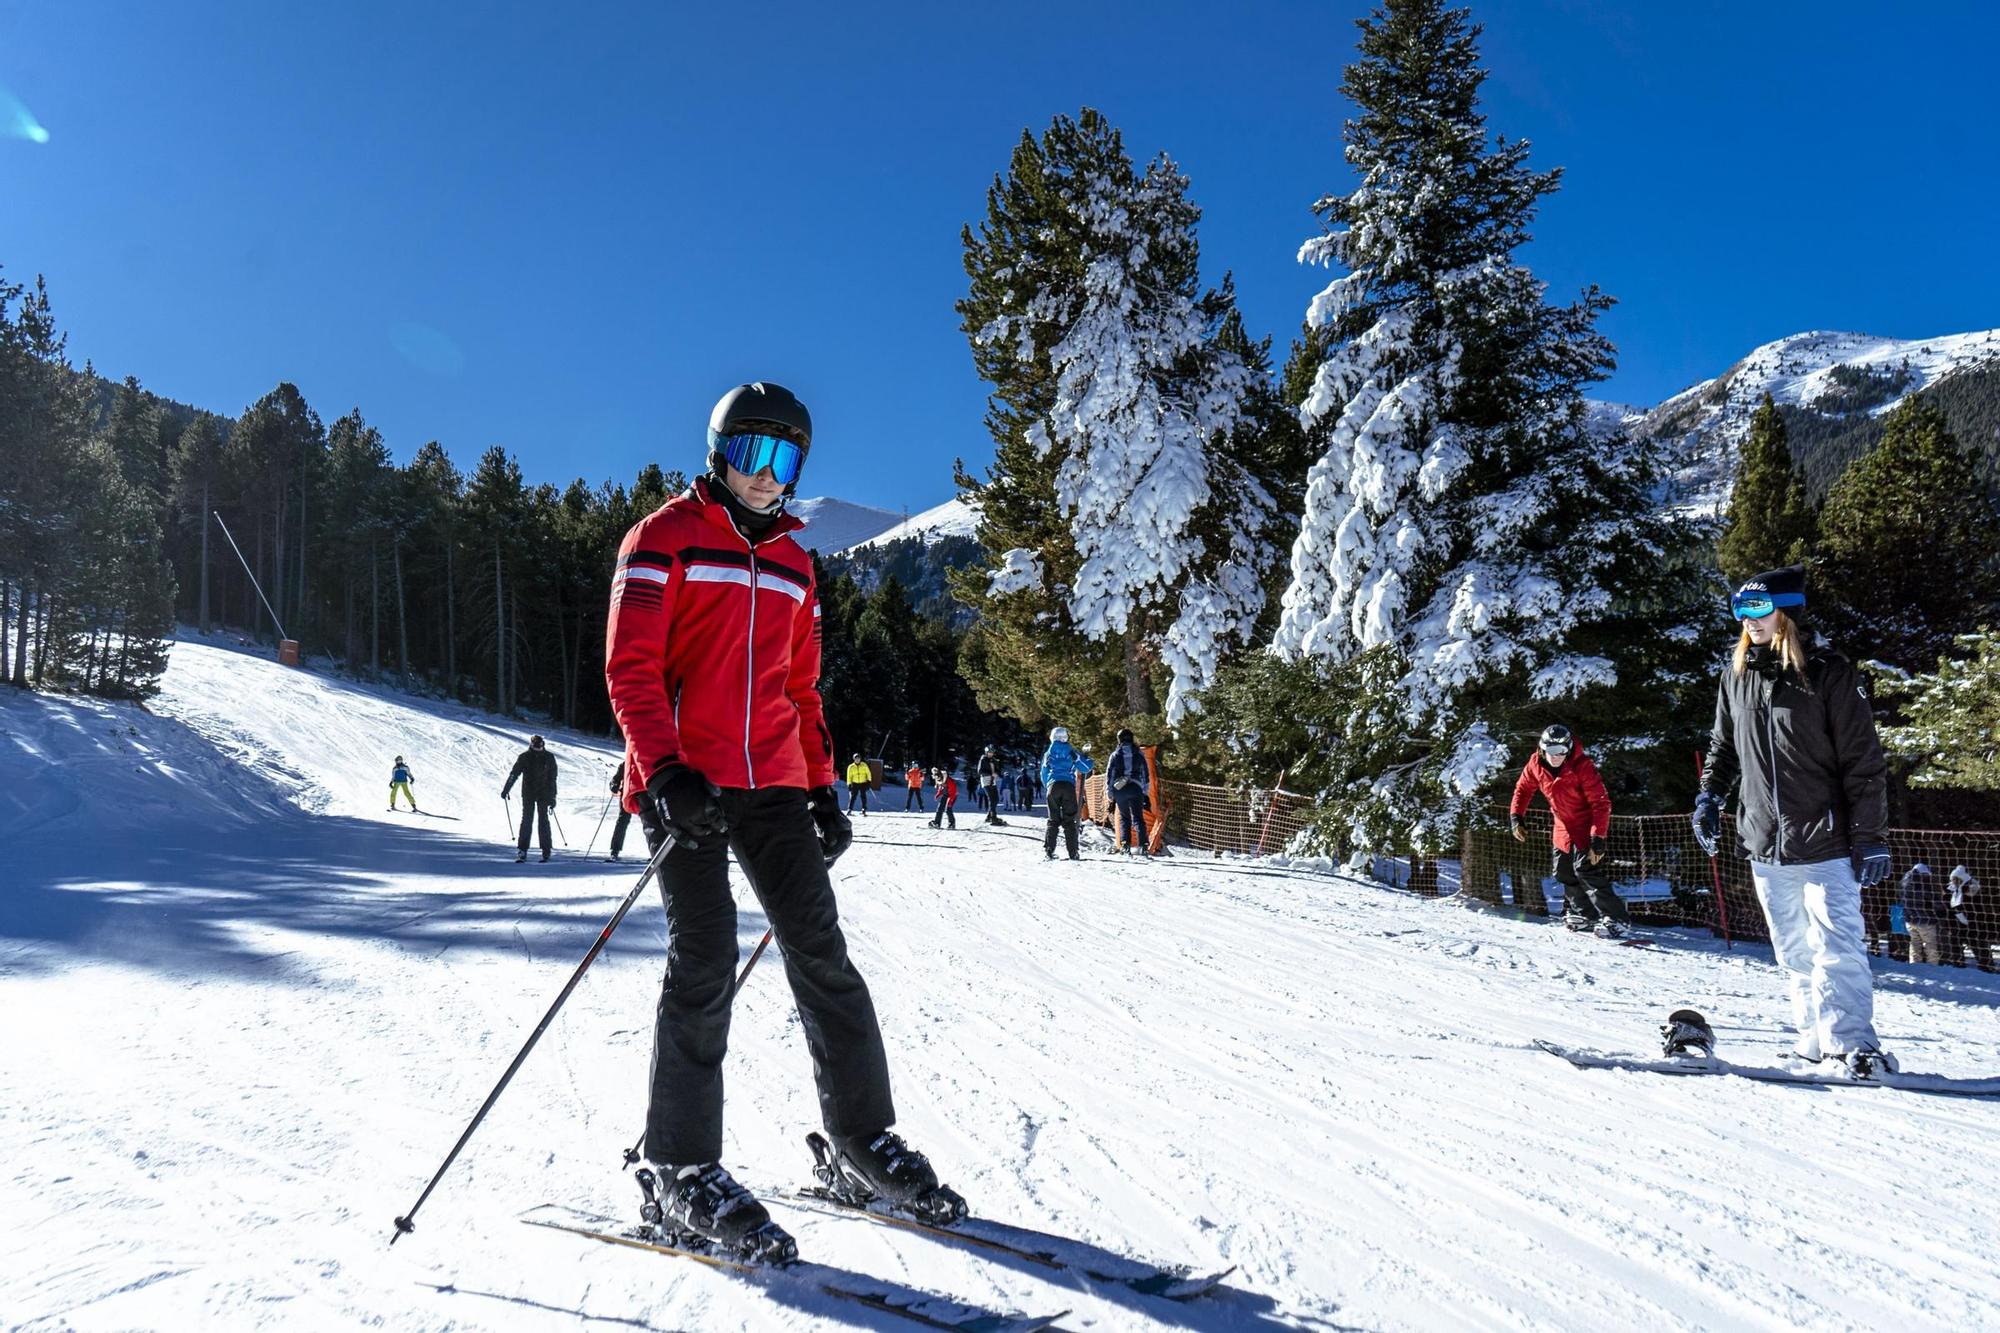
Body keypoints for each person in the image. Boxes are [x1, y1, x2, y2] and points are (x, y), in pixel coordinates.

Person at [604, 380, 962, 1260]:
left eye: (786, 459)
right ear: (719, 453)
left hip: (771, 785)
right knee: (705, 954)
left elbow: (800, 689)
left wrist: (820, 785)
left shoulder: (799, 564)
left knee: (821, 950)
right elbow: (631, 670)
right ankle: (682, 1166)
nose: (768, 476)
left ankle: (861, 1139)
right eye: (752, 455)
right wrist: (665, 772)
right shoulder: (663, 539)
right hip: (683, 781)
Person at [1694, 566, 1894, 1076]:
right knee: (1794, 953)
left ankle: (1852, 1046)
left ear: (1789, 613)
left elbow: (1863, 760)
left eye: (1758, 609)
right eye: (1740, 610)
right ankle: (1812, 1041)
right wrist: (1709, 798)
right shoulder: (1736, 675)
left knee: (1838, 949)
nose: (1748, 620)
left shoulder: (1828, 673)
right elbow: (1722, 747)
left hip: (1825, 840)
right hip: (1765, 840)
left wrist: (1869, 836)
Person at [1509, 723, 1631, 935]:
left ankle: (1617, 919)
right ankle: (1585, 914)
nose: (1557, 756)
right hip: (1562, 826)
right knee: (1563, 872)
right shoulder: (1535, 763)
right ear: (1542, 748)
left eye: (1562, 751)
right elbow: (1523, 789)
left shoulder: (1582, 766)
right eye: (1552, 752)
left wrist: (1598, 837)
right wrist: (1516, 816)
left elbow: (1601, 803)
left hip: (1586, 824)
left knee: (1584, 869)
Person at [501, 735, 558, 863]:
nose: (538, 749)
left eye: (540, 746)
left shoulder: (549, 757)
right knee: (527, 820)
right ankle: (522, 850)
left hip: (544, 793)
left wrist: (553, 797)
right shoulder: (524, 757)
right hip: (529, 793)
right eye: (536, 746)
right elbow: (514, 773)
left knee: (543, 820)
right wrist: (506, 789)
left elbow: (552, 779)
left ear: (543, 745)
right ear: (531, 745)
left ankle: (546, 850)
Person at [1040, 727, 1091, 861]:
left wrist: (1048, 786)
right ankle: (1073, 852)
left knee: (1053, 820)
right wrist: (1088, 759)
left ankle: (1049, 851)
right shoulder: (1072, 752)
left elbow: (1043, 772)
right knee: (1069, 821)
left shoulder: (1048, 754)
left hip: (1053, 786)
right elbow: (1085, 767)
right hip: (1068, 786)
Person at [1105, 728, 1152, 856]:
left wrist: (1109, 794)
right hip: (1136, 788)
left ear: (1119, 740)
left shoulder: (1115, 755)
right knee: (1138, 817)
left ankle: (1125, 845)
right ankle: (1144, 845)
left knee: (1124, 817)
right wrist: (1145, 792)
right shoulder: (1139, 753)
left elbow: (1110, 775)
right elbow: (1145, 774)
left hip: (1120, 789)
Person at [1899, 862, 1948, 965]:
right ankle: (1933, 965)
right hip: (1925, 920)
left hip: (1909, 919)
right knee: (1930, 944)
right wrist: (1942, 911)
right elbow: (1934, 900)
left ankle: (1914, 964)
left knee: (1914, 943)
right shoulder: (1922, 885)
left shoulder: (1903, 884)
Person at [1950, 865, 1995, 971]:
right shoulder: (1955, 889)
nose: (1954, 881)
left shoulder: (1972, 888)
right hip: (1960, 921)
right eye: (1953, 879)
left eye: (1956, 879)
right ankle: (1958, 962)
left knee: (1977, 942)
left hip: (1974, 920)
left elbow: (1972, 903)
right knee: (1955, 940)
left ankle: (1987, 965)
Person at [606, 759, 636, 861]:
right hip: (628, 795)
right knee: (622, 821)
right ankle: (615, 850)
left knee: (651, 822)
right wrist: (614, 785)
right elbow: (616, 778)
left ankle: (656, 850)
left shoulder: (643, 759)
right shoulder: (625, 763)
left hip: (643, 794)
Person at [975, 746, 1005, 825]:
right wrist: (991, 773)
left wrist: (998, 774)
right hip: (986, 780)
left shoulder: (994, 760)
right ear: (986, 752)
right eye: (989, 752)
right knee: (992, 799)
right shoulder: (983, 759)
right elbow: (980, 771)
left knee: (996, 799)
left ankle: (989, 816)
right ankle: (993, 817)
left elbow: (997, 770)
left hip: (993, 781)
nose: (991, 754)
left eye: (992, 753)